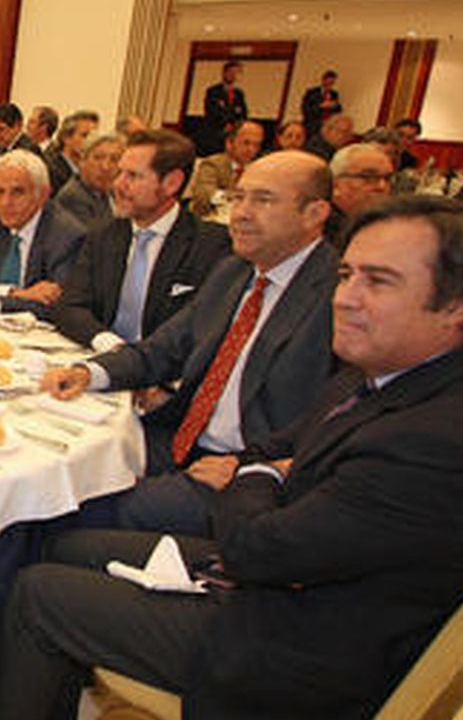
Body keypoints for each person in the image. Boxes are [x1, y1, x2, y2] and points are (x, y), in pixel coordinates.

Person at [0, 195, 463, 720]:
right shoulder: (404, 377)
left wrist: (258, 476)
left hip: (299, 652)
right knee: (68, 542)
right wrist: (268, 470)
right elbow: (286, 445)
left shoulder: (442, 442)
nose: (346, 297)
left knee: (39, 591)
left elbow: (257, 548)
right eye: (347, 275)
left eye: (379, 281)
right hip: (298, 583)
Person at [43, 151, 339, 534]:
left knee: (70, 509)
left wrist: (255, 469)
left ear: (314, 214)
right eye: (238, 197)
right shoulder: (235, 272)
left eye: (263, 200)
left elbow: (346, 418)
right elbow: (163, 349)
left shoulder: (339, 295)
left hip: (237, 474)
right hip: (180, 437)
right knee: (59, 472)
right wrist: (89, 372)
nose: (241, 213)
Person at [51, 128, 230, 350]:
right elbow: (70, 307)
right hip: (105, 356)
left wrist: (138, 362)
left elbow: (200, 330)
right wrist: (110, 344)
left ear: (171, 183)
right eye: (120, 173)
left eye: (133, 176)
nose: (118, 184)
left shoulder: (210, 246)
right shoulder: (104, 236)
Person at [0, 150, 85, 321]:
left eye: (17, 192)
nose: (5, 203)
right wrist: (16, 293)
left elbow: (55, 304)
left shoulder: (66, 235)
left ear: (43, 194)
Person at [324, 142, 396, 249]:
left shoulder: (387, 226)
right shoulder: (319, 228)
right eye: (368, 177)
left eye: (387, 178)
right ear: (335, 184)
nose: (381, 186)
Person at [187, 120, 264, 217]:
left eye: (256, 145)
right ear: (229, 143)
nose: (251, 150)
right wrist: (235, 198)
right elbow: (204, 194)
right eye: (246, 143)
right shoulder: (213, 164)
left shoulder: (259, 169)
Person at [51, 130, 121, 232]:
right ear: (82, 161)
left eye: (114, 160)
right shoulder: (74, 197)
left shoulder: (107, 192)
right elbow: (99, 242)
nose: (106, 167)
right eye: (98, 158)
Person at [43, 110, 98, 194]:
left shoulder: (91, 170)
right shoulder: (51, 169)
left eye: (94, 136)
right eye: (84, 135)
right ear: (66, 138)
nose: (90, 141)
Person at [201, 60, 248, 153]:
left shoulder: (239, 94)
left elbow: (242, 112)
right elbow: (211, 111)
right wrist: (225, 124)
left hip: (233, 132)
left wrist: (236, 126)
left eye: (236, 73)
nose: (233, 75)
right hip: (216, 131)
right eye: (231, 72)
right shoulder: (213, 91)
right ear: (224, 73)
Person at [300, 69, 342, 139]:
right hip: (312, 125)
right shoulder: (312, 92)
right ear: (323, 80)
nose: (329, 85)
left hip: (327, 125)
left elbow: (339, 110)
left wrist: (334, 106)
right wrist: (321, 106)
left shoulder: (334, 94)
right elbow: (305, 108)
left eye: (332, 83)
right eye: (328, 82)